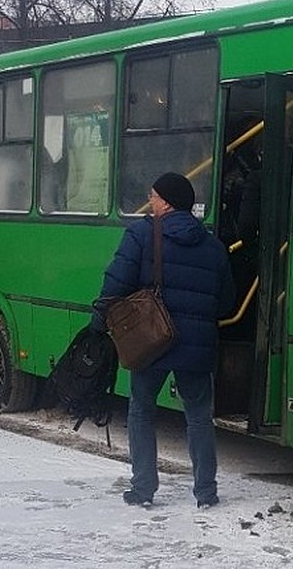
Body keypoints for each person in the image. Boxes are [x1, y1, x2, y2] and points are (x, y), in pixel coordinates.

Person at [93, 172, 235, 508]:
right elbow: (226, 301)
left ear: (167, 202)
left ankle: (143, 490)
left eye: (153, 197)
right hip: (197, 346)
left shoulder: (142, 233)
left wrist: (98, 321)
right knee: (199, 416)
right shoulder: (214, 246)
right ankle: (206, 493)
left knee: (141, 411)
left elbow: (117, 282)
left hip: (151, 341)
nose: (150, 202)